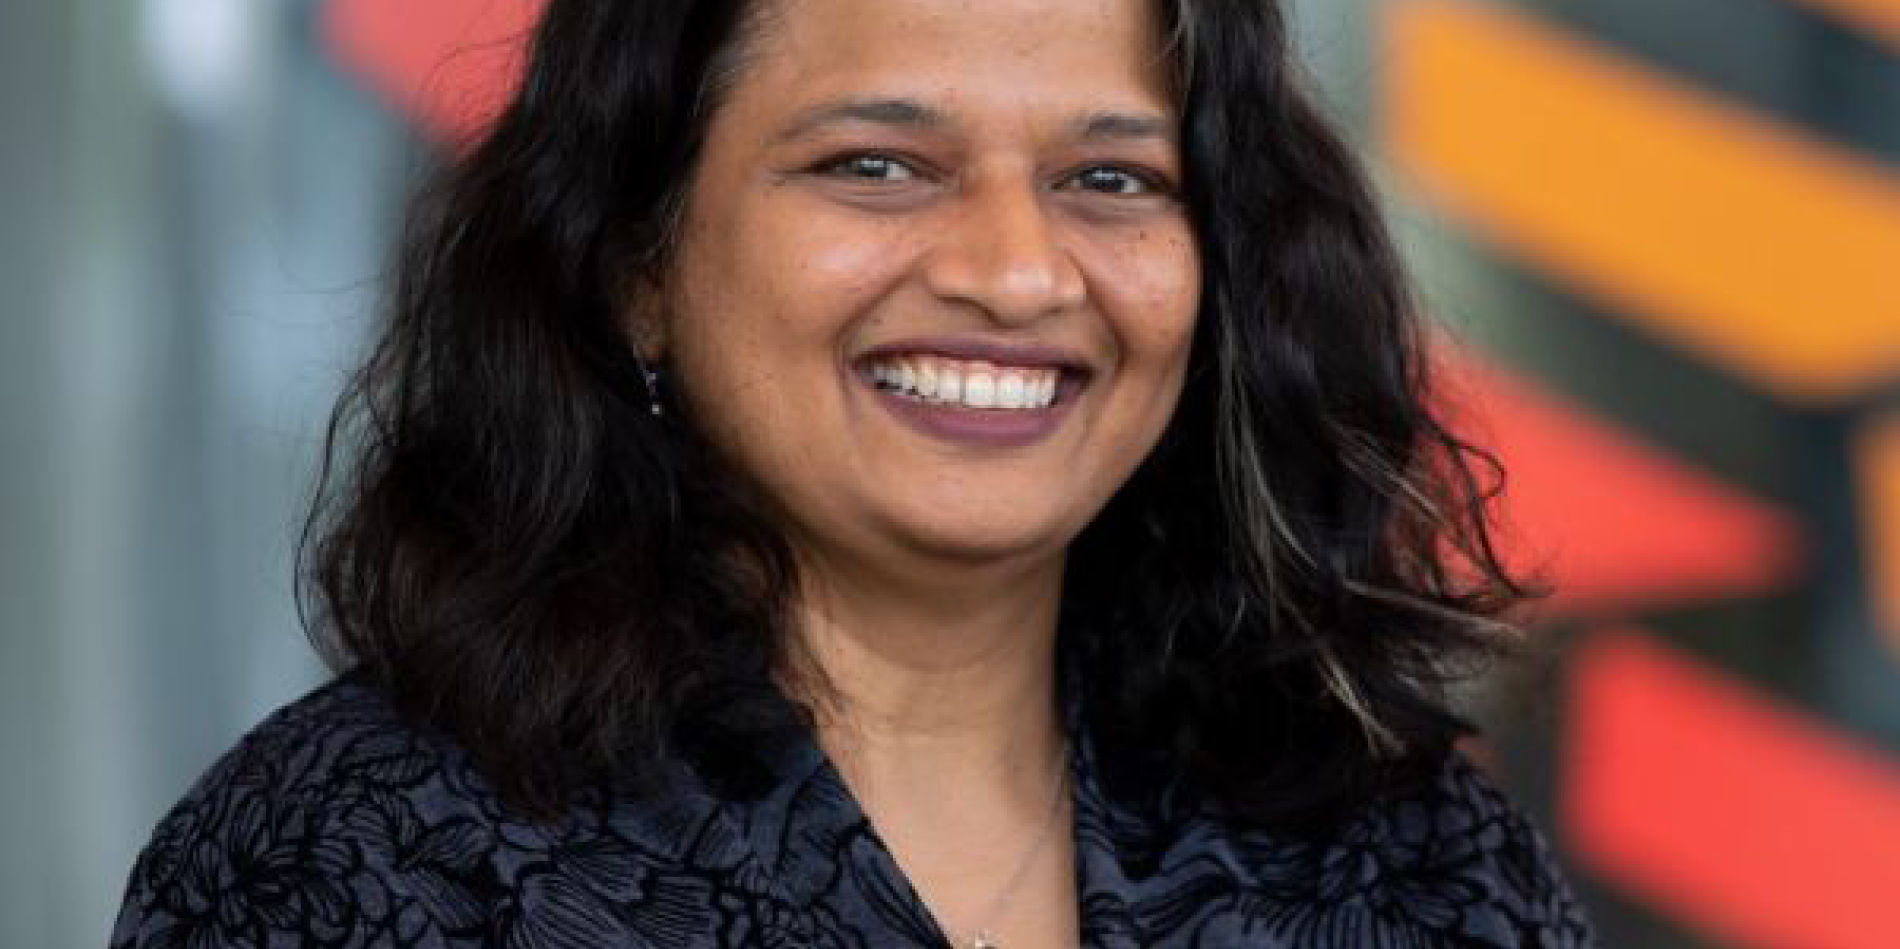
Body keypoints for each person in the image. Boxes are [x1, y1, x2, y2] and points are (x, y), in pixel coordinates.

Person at [111, 0, 1595, 945]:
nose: (1018, 274)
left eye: (1112, 180)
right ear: (638, 260)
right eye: (876, 166)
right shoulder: (347, 864)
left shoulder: (1410, 869)